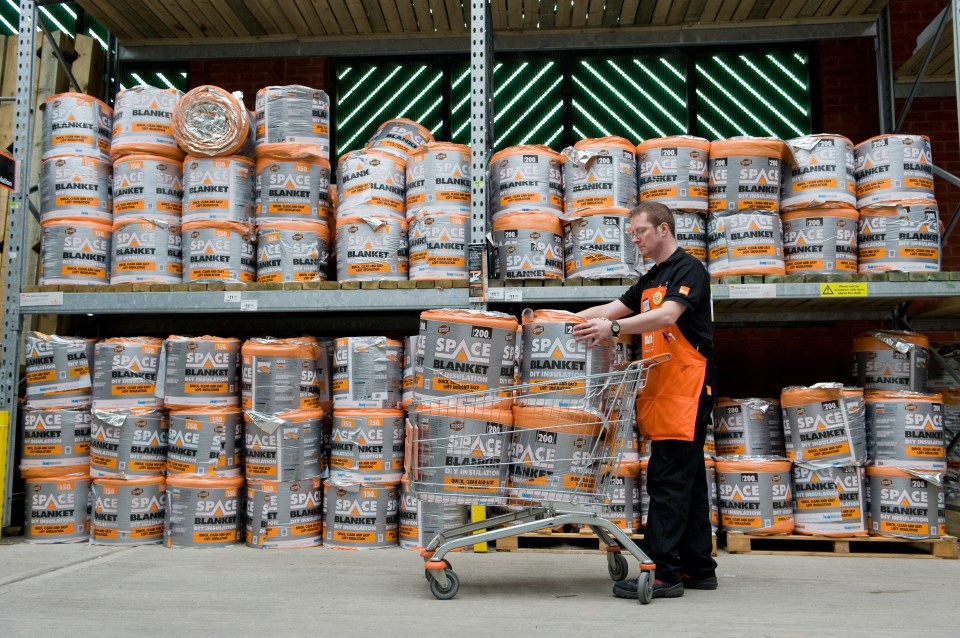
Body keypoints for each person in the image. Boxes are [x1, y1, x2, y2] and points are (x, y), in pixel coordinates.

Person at [572, 201, 717, 600]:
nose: (634, 239)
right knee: (686, 481)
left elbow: (667, 316)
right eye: (631, 233)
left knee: (668, 479)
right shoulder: (652, 278)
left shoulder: (689, 271)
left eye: (640, 231)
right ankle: (697, 567)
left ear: (664, 230)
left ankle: (663, 572)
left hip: (686, 389)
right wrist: (560, 321)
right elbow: (611, 309)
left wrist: (612, 328)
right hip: (664, 389)